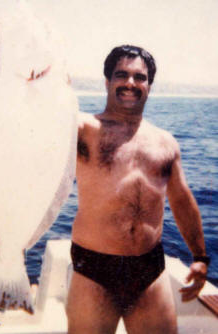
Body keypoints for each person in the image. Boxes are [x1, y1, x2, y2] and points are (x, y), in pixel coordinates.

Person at [66, 45, 210, 334]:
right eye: (121, 75)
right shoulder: (81, 127)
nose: (130, 83)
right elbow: (42, 114)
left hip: (149, 269)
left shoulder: (165, 142)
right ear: (107, 82)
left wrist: (200, 257)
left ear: (149, 85)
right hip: (94, 269)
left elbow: (181, 200)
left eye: (139, 77)